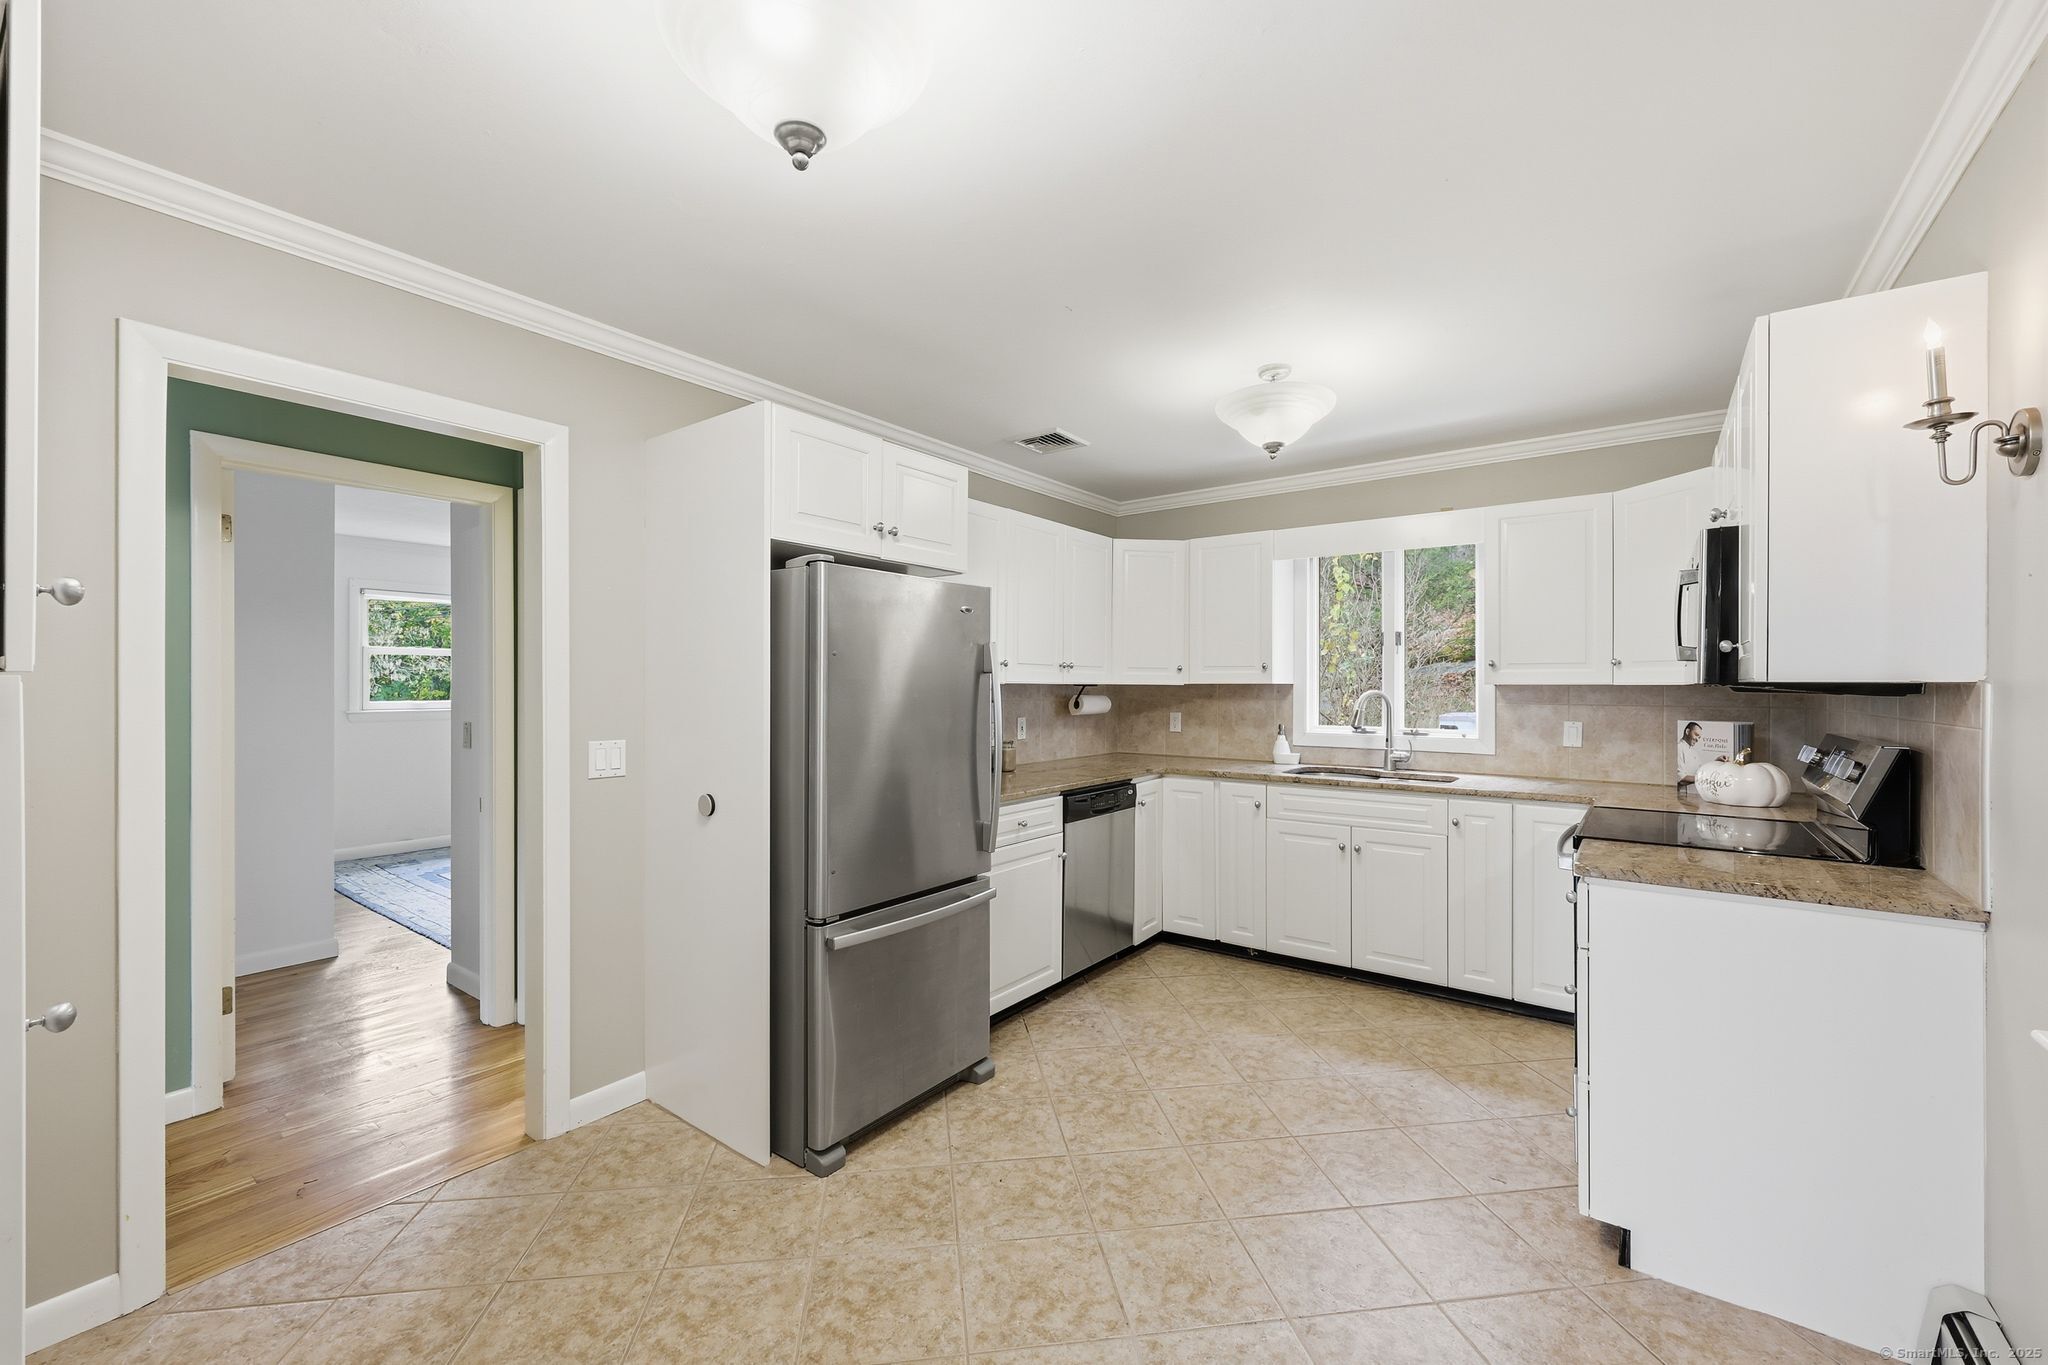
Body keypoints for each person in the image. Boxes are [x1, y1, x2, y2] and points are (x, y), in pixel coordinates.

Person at [1675, 720, 1707, 788]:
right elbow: (1681, 778)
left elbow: (1701, 770)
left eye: (1699, 737)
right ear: (1687, 732)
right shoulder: (1678, 748)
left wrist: (1717, 761)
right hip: (1682, 791)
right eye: (1696, 735)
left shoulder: (1694, 751)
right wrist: (1705, 779)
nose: (1697, 739)